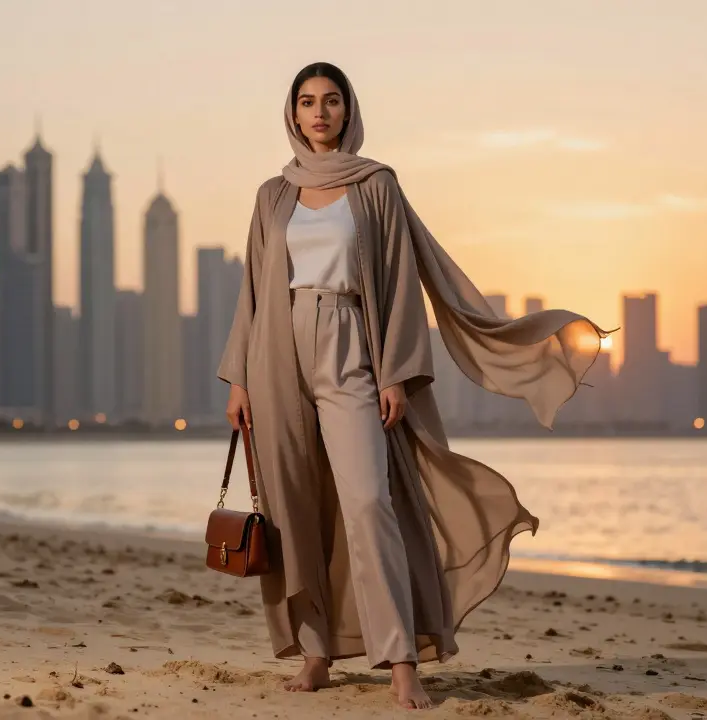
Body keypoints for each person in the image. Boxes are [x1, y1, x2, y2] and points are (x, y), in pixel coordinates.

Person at [218, 61, 608, 711]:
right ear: (292, 114)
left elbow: (398, 283)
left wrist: (396, 369)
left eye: (332, 101)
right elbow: (253, 288)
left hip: (353, 350)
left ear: (349, 111)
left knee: (371, 504)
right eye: (308, 102)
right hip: (275, 356)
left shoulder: (376, 186)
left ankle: (401, 659)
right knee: (297, 508)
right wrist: (238, 380)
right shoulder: (272, 194)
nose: (319, 113)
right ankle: (316, 653)